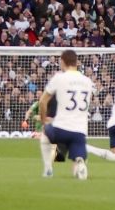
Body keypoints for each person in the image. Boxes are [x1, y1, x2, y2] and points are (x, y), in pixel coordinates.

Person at [39, 49, 96, 180]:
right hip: (80, 132)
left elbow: (42, 101)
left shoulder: (59, 78)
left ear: (63, 61)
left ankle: (48, 169)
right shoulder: (87, 81)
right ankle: (79, 162)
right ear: (76, 62)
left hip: (61, 128)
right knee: (78, 154)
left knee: (45, 135)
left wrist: (44, 121)